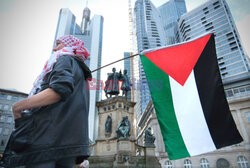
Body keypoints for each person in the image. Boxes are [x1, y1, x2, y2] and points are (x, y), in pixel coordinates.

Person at [0, 35, 91, 168]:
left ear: (68, 46)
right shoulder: (81, 72)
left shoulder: (64, 58)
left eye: (58, 43)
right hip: (69, 144)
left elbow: (60, 90)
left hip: (46, 140)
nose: (54, 48)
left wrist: (18, 106)